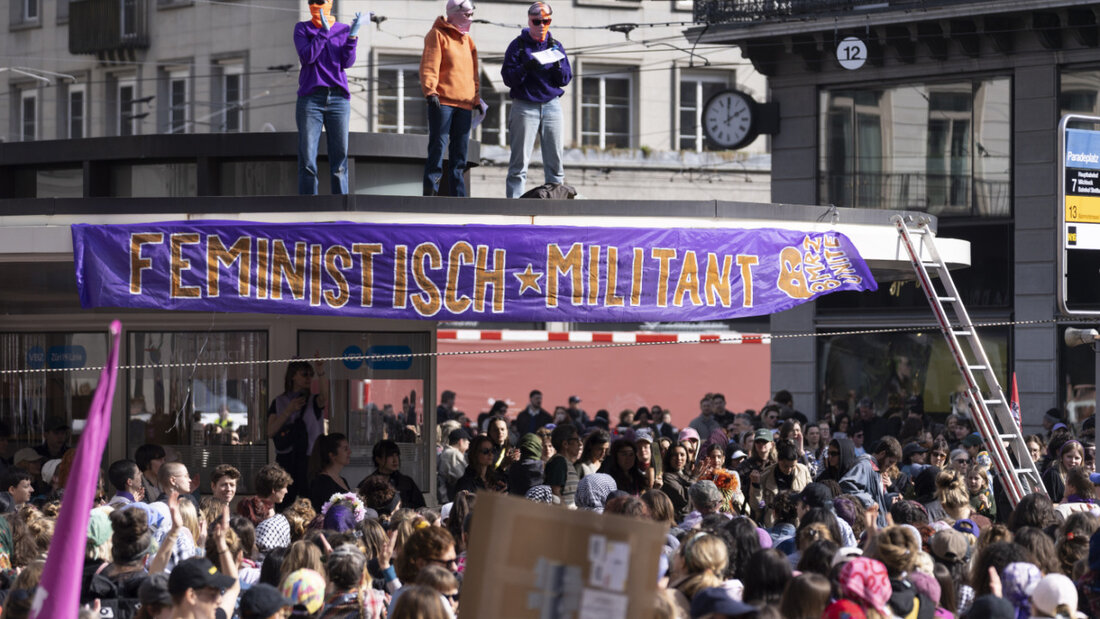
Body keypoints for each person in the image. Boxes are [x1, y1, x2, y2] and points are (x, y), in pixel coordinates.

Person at [501, 2, 573, 198]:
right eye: (537, 21)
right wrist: (526, 67)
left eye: (546, 21)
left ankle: (557, 201)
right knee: (519, 163)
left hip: (551, 105)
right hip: (525, 105)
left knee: (555, 162)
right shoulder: (517, 45)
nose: (541, 25)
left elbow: (565, 79)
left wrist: (558, 65)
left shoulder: (555, 45)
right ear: (529, 21)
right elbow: (508, 78)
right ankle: (514, 206)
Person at [294, 0, 362, 195]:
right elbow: (308, 57)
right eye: (311, 1)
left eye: (320, 1)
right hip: (310, 99)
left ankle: (340, 207)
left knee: (339, 159)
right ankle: (308, 207)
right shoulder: (302, 28)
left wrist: (352, 36)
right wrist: (323, 32)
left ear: (330, 2)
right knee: (307, 158)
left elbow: (347, 62)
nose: (316, 4)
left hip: (338, 99)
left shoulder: (342, 29)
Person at [421, 0, 480, 197]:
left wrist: (476, 98)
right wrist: (431, 91)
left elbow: (474, 74)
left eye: (472, 15)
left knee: (460, 155)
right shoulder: (437, 35)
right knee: (438, 149)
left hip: (464, 104)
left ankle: (459, 197)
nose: (470, 19)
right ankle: (431, 192)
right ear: (454, 13)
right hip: (443, 102)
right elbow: (430, 63)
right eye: (467, 15)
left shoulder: (468, 40)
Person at [268, 360, 327, 505]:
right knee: (285, 500)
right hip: (287, 457)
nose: (309, 378)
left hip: (309, 458)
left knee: (311, 500)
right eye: (304, 374)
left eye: (311, 375)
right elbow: (270, 431)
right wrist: (289, 410)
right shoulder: (279, 401)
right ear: (293, 376)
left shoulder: (313, 400)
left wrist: (321, 373)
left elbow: (324, 397)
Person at [840, 437, 901, 528]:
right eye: (890, 462)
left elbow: (877, 498)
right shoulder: (865, 465)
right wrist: (870, 502)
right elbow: (846, 484)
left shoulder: (876, 470)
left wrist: (890, 499)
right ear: (882, 454)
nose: (890, 466)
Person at [363, 440, 426, 509]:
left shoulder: (406, 482)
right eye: (390, 456)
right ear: (378, 459)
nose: (395, 460)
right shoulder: (369, 483)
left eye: (396, 455)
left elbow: (420, 506)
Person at [544, 424, 581, 507]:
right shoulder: (559, 462)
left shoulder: (566, 462)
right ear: (565, 444)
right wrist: (566, 513)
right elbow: (554, 492)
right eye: (576, 440)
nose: (579, 444)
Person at [437, 427, 469, 503]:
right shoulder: (453, 453)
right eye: (467, 441)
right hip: (450, 498)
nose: (469, 443)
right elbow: (462, 476)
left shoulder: (447, 452)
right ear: (461, 441)